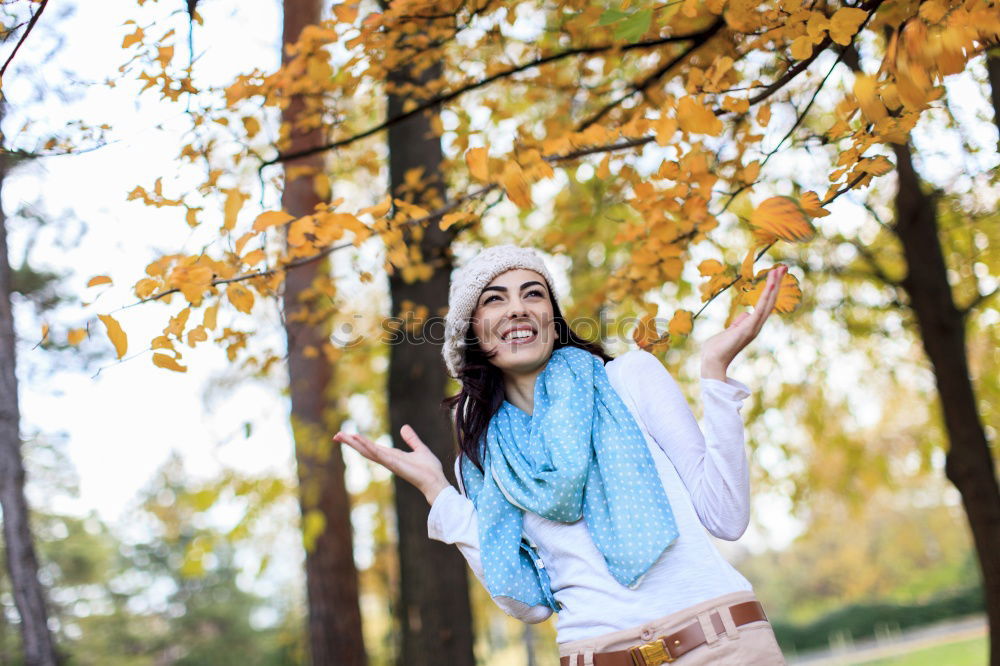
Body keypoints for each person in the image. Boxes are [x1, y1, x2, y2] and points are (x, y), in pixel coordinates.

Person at [335, 244, 788, 665]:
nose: (517, 307)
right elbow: (528, 603)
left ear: (552, 317)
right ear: (470, 331)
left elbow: (725, 516)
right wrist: (438, 491)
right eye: (494, 299)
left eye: (533, 293)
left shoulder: (629, 379)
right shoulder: (480, 459)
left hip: (723, 644)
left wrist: (714, 376)